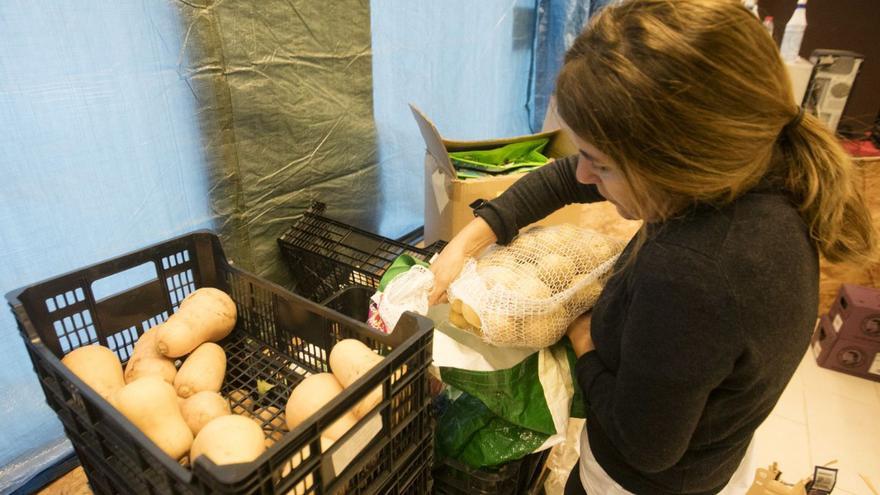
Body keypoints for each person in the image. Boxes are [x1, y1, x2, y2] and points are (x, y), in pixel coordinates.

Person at [426, 0, 877, 493]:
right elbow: (566, 176)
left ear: (673, 162)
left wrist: (586, 346)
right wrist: (472, 237)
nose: (583, 175)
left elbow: (644, 446)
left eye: (600, 164)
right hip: (717, 450)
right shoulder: (763, 172)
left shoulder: (695, 272)